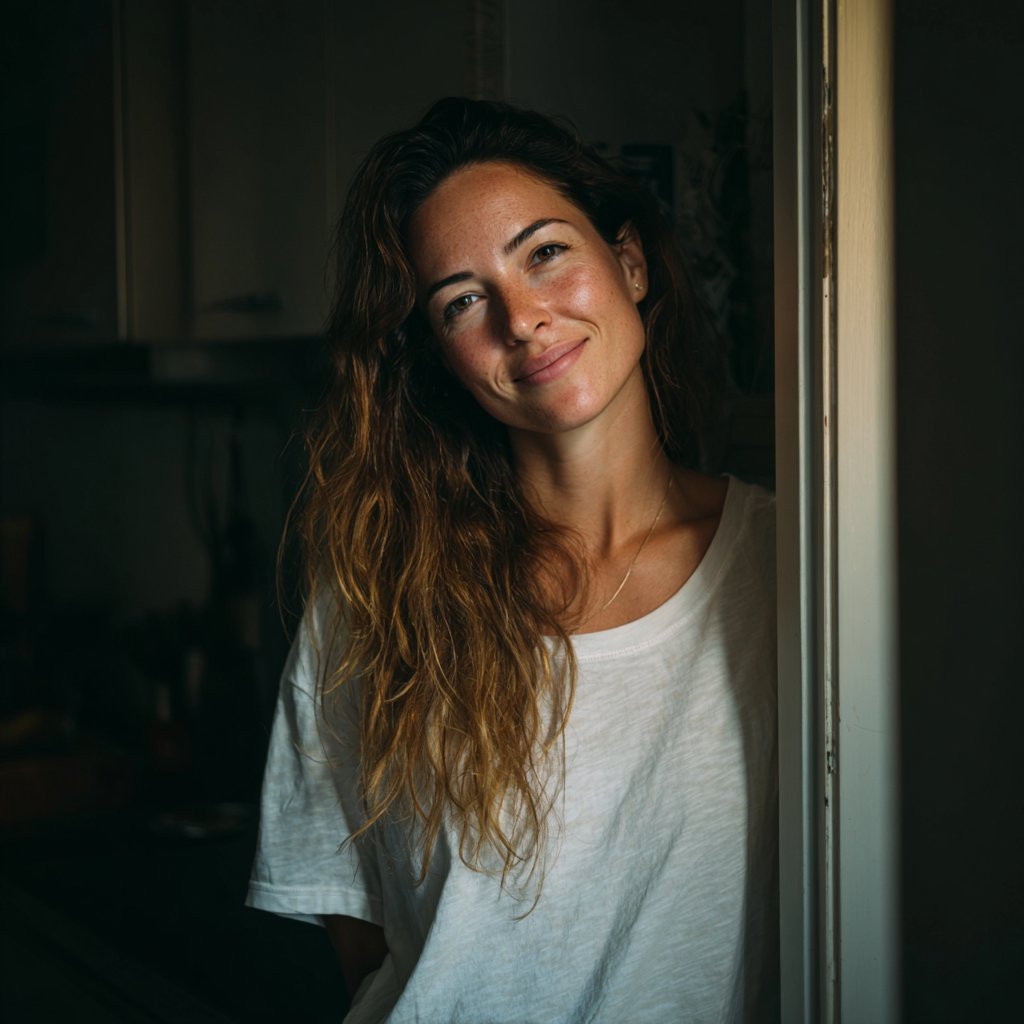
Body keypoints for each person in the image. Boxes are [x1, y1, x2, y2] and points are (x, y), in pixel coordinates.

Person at [247, 97, 778, 1023]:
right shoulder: (379, 598)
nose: (522, 318)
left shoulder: (795, 570)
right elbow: (360, 939)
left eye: (545, 253)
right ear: (439, 356)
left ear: (630, 261)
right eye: (462, 300)